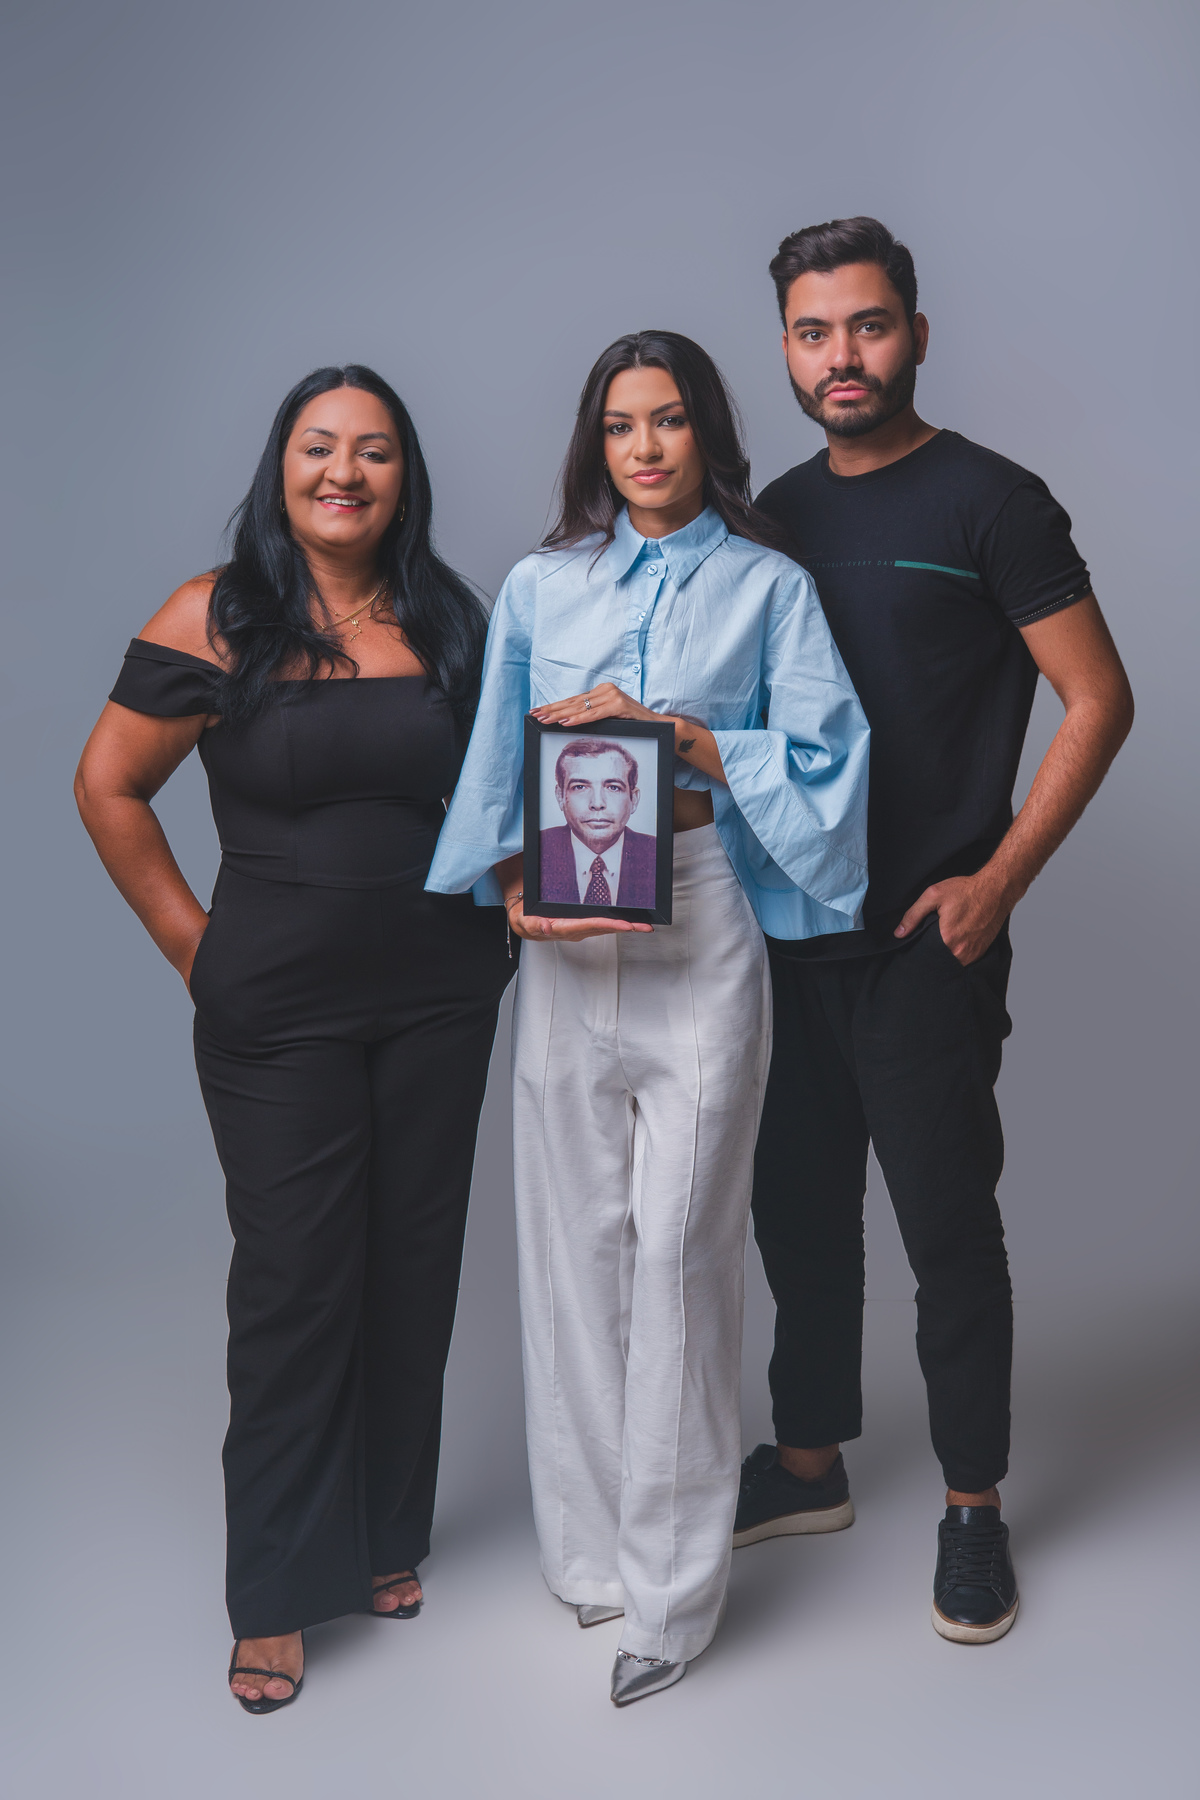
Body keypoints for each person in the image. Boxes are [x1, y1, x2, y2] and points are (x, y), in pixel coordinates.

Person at [427, 331, 869, 1704]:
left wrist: (687, 738)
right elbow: (496, 760)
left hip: (699, 905)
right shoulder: (541, 584)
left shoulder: (771, 588)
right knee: (572, 1243)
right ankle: (591, 1559)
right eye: (620, 425)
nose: (644, 447)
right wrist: (513, 887)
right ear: (595, 443)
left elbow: (829, 763)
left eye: (668, 420)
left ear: (705, 434)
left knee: (682, 1248)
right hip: (569, 927)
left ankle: (671, 1602)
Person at [74, 365, 513, 1712]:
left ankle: (382, 1535)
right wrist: (196, 948)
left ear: (403, 477)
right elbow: (108, 784)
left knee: (411, 1267)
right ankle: (272, 1592)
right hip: (276, 1010)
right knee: (296, 1283)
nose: (345, 472)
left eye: (374, 450)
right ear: (282, 467)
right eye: (320, 447)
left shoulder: (452, 618)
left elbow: (502, 798)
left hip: (441, 994)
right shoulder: (214, 616)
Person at [736, 218, 1134, 1644]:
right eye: (813, 333)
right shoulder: (771, 512)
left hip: (926, 937)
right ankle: (808, 1463)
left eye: (867, 325)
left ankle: (974, 1509)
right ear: (787, 350)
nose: (841, 356)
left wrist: (1000, 879)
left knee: (947, 1230)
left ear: (915, 331)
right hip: (788, 935)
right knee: (796, 1212)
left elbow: (1100, 698)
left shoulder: (994, 503)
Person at [539, 737, 657, 908]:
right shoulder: (536, 849)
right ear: (560, 796)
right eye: (580, 787)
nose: (597, 803)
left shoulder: (656, 854)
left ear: (634, 799)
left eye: (613, 787)